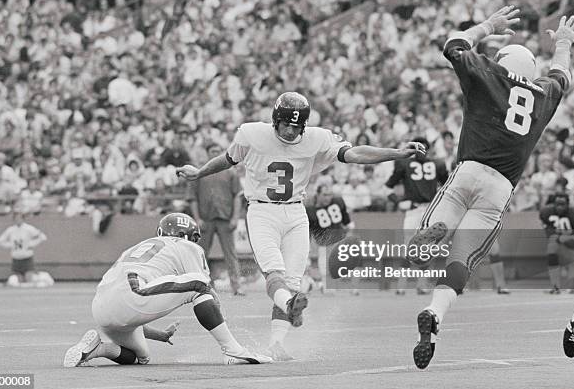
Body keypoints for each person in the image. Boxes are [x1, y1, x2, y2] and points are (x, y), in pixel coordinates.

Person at [177, 91, 426, 360]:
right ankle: (290, 305)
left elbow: (355, 154)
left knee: (293, 282)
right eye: (286, 124)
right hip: (261, 212)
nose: (291, 130)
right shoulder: (252, 134)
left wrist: (397, 153)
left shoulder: (315, 138)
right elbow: (227, 159)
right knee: (275, 274)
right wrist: (200, 172)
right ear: (275, 120)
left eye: (297, 126)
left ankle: (276, 343)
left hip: (296, 213)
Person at [407, 8, 574, 370]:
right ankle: (434, 312)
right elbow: (561, 77)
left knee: (430, 238)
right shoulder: (542, 95)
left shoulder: (490, 73)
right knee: (462, 262)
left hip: (467, 171)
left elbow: (453, 44)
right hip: (499, 188)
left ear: (502, 59)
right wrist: (563, 43)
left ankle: (427, 240)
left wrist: (489, 27)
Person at [63, 213, 271, 367]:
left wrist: (160, 335)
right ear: (184, 234)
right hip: (132, 294)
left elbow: (126, 313)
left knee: (140, 357)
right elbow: (205, 289)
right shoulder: (186, 246)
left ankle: (98, 349)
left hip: (102, 307)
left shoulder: (137, 248)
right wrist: (220, 321)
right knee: (199, 284)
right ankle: (232, 350)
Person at [386, 136, 448, 295]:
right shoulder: (437, 164)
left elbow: (388, 188)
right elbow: (447, 187)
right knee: (421, 247)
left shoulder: (404, 163)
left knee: (415, 248)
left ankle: (409, 285)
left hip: (420, 210)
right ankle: (409, 285)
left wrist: (398, 201)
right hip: (428, 210)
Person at [187, 143, 244, 296]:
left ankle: (236, 286)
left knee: (231, 254)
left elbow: (237, 197)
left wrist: (235, 217)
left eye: (218, 151)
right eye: (213, 151)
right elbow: (192, 199)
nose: (216, 153)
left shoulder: (231, 173)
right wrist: (197, 219)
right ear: (207, 153)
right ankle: (200, 286)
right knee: (201, 254)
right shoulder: (199, 172)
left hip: (225, 218)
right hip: (205, 219)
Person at [305, 183, 354, 293]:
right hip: (323, 244)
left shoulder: (338, 201)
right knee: (322, 268)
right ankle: (318, 283)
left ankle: (346, 286)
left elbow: (347, 222)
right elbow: (309, 232)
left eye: (330, 194)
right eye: (325, 194)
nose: (328, 197)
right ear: (317, 194)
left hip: (339, 239)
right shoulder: (310, 210)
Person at [0, 210, 48, 286]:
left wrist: (31, 244)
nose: (18, 220)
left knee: (29, 280)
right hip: (16, 258)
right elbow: (0, 241)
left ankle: (40, 280)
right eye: (16, 218)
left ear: (23, 219)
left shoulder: (29, 228)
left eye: (19, 218)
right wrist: (10, 245)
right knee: (19, 282)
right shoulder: (11, 230)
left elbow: (43, 237)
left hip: (27, 257)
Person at [540, 193, 574, 294]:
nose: (559, 207)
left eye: (562, 204)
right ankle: (555, 286)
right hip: (561, 245)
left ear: (568, 204)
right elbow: (550, 234)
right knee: (552, 246)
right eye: (557, 204)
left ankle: (571, 286)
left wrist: (568, 237)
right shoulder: (546, 212)